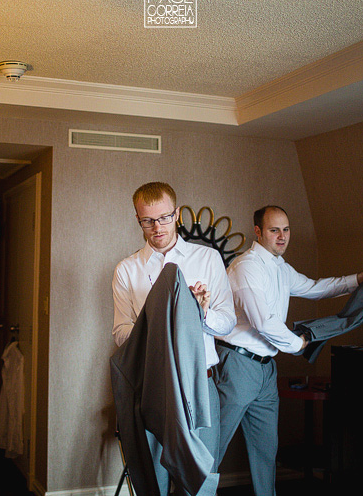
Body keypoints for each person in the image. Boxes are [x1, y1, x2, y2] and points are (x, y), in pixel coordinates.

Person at [215, 205, 363, 495]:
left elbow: (315, 288)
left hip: (266, 370)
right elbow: (263, 322)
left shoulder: (280, 268)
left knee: (265, 451)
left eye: (286, 229)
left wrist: (357, 280)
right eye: (274, 230)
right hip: (238, 366)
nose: (282, 236)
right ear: (258, 232)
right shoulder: (246, 267)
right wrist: (297, 344)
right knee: (213, 446)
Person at [112, 182, 236, 494]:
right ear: (138, 220)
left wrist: (200, 314)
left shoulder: (208, 259)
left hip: (200, 384)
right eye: (147, 220)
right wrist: (160, 318)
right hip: (152, 385)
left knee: (201, 478)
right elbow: (120, 334)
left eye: (164, 217)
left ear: (177, 214)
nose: (157, 227)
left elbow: (228, 323)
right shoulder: (126, 270)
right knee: (155, 478)